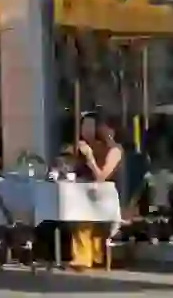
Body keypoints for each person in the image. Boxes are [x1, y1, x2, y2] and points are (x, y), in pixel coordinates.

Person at [70, 115, 123, 271]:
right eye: (83, 126)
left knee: (83, 218)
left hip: (107, 198)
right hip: (86, 195)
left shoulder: (114, 150)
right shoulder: (82, 147)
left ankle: (85, 258)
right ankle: (88, 255)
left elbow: (102, 176)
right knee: (76, 213)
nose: (86, 130)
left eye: (90, 126)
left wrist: (90, 158)